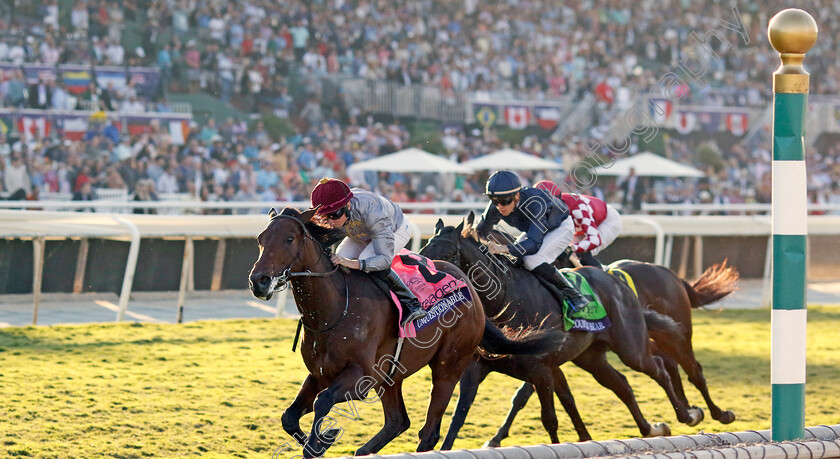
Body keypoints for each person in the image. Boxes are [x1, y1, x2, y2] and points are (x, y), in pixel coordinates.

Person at [310, 178, 428, 328]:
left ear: (347, 205)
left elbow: (384, 259)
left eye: (334, 215)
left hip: (395, 229)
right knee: (339, 259)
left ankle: (411, 303)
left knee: (366, 260)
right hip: (361, 231)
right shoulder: (338, 215)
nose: (331, 222)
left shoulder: (373, 210)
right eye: (326, 217)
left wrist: (352, 263)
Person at [475, 171, 588, 311]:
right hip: (536, 229)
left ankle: (574, 295)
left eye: (504, 201)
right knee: (515, 259)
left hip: (560, 227)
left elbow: (534, 244)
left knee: (532, 260)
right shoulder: (496, 206)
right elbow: (480, 231)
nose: (500, 207)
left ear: (516, 195)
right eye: (494, 200)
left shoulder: (536, 203)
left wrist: (504, 248)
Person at [534, 180, 623, 269]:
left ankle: (604, 279)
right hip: (582, 226)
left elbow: (595, 240)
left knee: (582, 252)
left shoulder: (577, 207)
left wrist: (572, 248)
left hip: (607, 221)